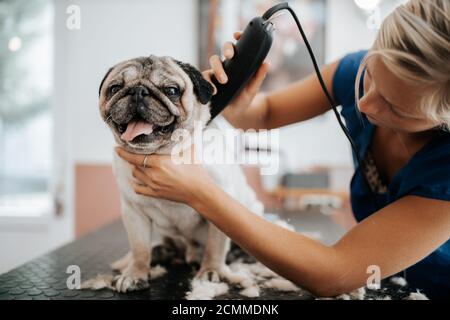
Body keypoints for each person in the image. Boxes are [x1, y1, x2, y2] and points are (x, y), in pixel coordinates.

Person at [116, 0, 450, 299]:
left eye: (396, 108)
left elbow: (334, 273)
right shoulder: (353, 71)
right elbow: (265, 113)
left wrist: (199, 191)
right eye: (371, 76)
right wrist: (237, 100)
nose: (365, 103)